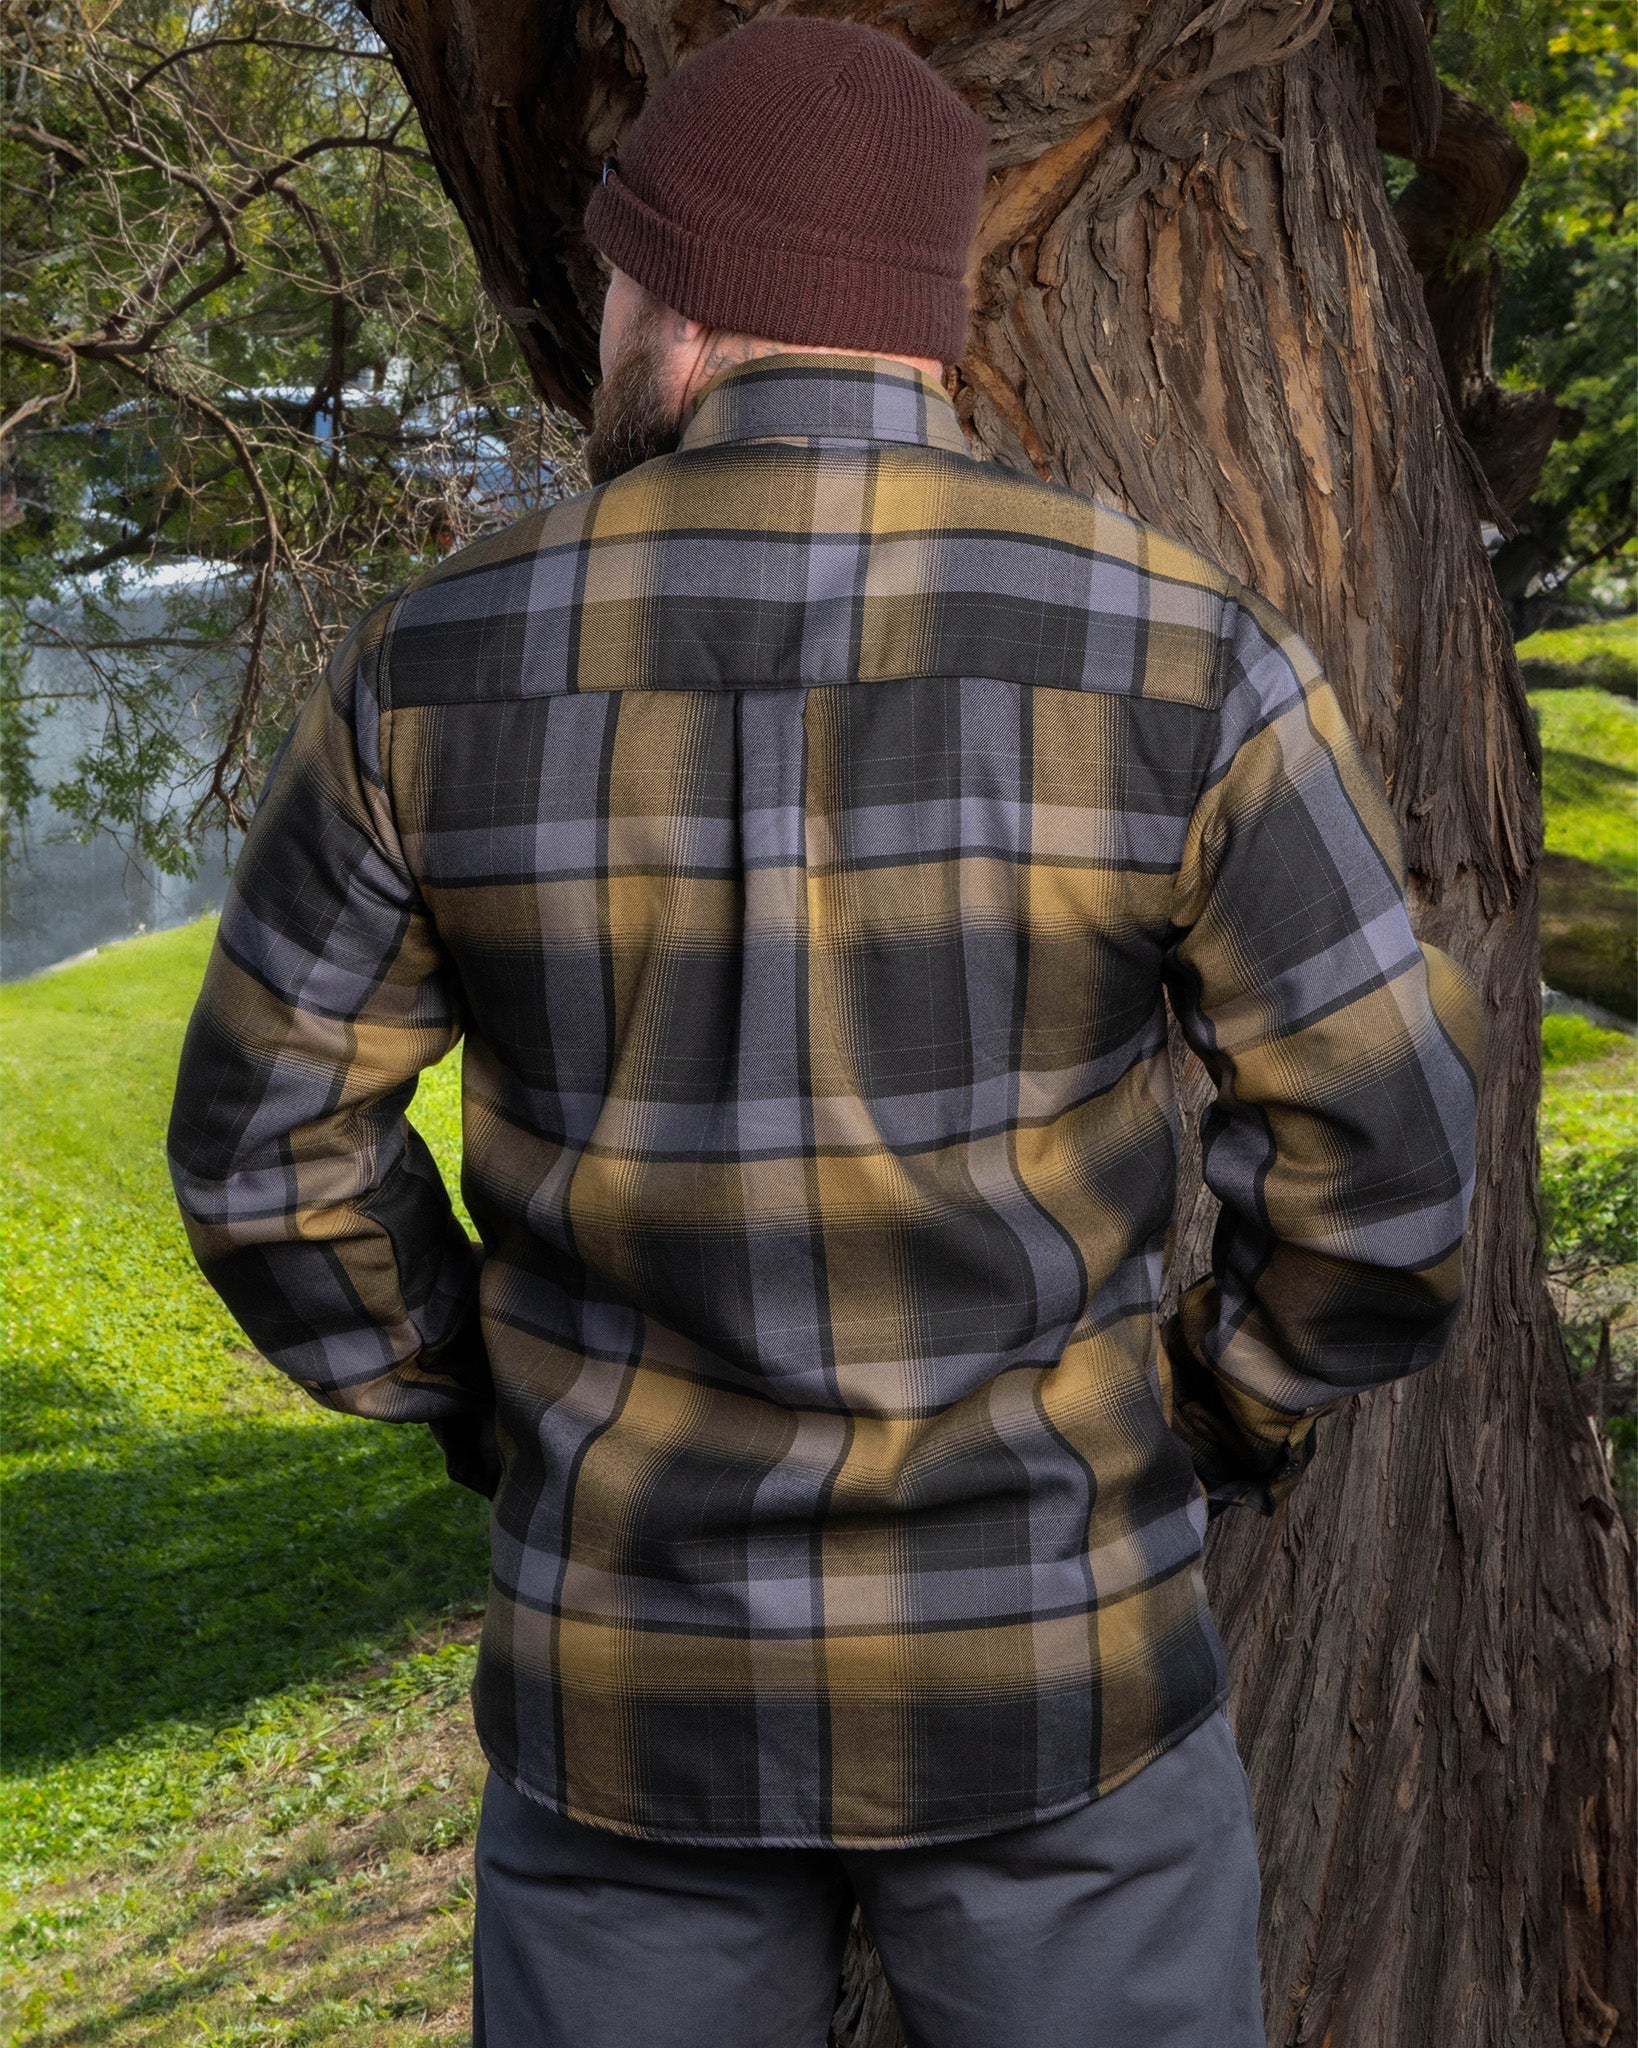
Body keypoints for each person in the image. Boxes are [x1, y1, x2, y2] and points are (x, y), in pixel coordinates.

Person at [167, 17, 1483, 2047]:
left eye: (616, 277)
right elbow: (1387, 1165)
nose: (603, 323)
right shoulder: (1181, 650)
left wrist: (492, 1406)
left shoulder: (432, 667)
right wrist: (1211, 1414)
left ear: (685, 302)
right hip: (1057, 1665)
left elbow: (268, 1161)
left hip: (626, 1685)